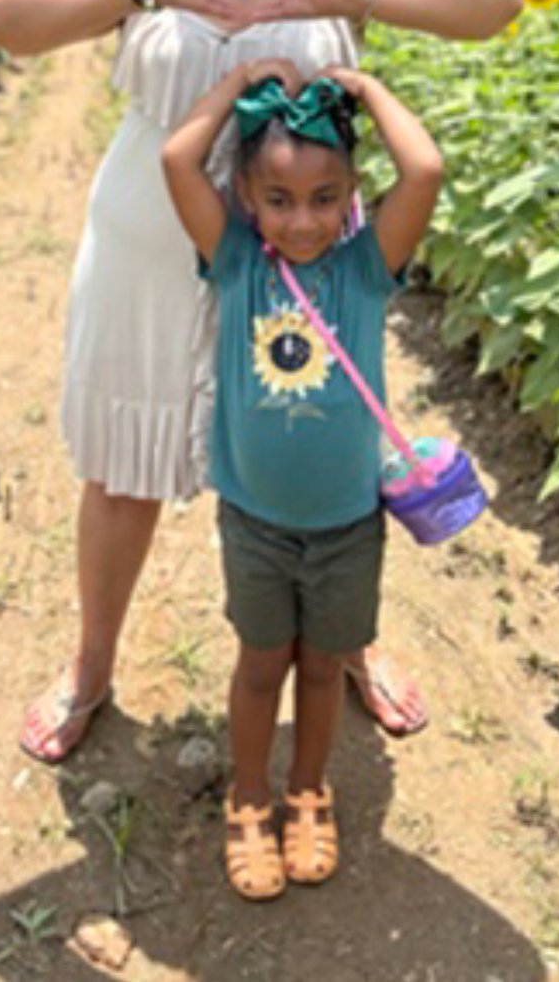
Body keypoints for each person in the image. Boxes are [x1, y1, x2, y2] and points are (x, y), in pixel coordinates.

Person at [0, 0, 524, 763]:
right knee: (122, 469)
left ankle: (349, 646)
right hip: (147, 244)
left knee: (327, 455)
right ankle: (92, 663)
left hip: (306, 262)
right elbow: (8, 22)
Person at [161, 60, 441, 898]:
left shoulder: (363, 270)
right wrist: (239, 82)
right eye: (279, 199)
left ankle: (308, 792)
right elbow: (179, 160)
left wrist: (366, 93)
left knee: (324, 667)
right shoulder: (239, 263)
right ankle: (247, 799)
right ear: (248, 201)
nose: (305, 219)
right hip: (254, 518)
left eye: (326, 198)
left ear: (352, 194)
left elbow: (423, 170)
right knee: (258, 663)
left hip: (349, 521)